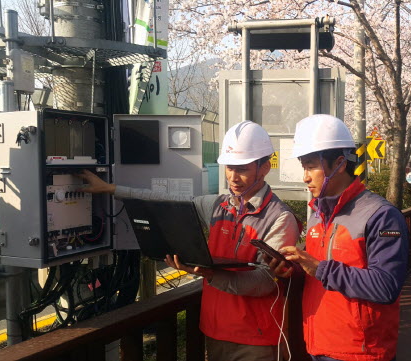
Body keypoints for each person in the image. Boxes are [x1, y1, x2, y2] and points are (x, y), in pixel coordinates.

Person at [79, 120, 300, 361]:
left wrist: (208, 273)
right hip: (215, 331)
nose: (233, 177)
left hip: (257, 341)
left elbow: (264, 282)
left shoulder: (280, 218)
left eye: (243, 169)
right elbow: (166, 201)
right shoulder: (218, 206)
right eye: (229, 168)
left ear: (265, 167)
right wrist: (111, 189)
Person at [269, 114, 409, 361]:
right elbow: (319, 272)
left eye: (312, 165)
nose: (305, 176)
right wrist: (294, 269)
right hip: (318, 343)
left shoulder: (381, 215)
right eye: (304, 166)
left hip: (360, 351)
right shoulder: (318, 214)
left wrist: (319, 268)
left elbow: (386, 286)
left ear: (340, 164)